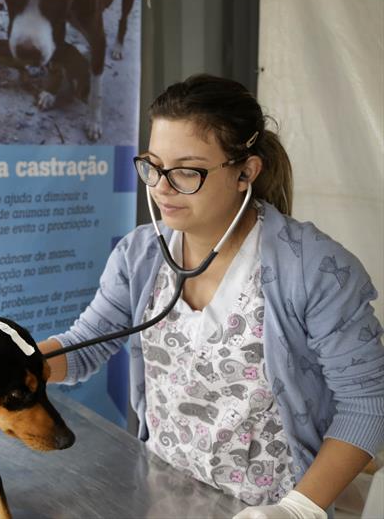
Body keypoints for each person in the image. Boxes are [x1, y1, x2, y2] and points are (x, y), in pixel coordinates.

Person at [40, 74, 384, 519]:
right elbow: (88, 342)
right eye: (153, 164)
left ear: (245, 172)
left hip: (273, 506)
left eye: (187, 170)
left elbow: (368, 402)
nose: (162, 186)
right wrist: (16, 365)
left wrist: (298, 509)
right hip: (164, 496)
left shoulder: (316, 270)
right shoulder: (140, 255)